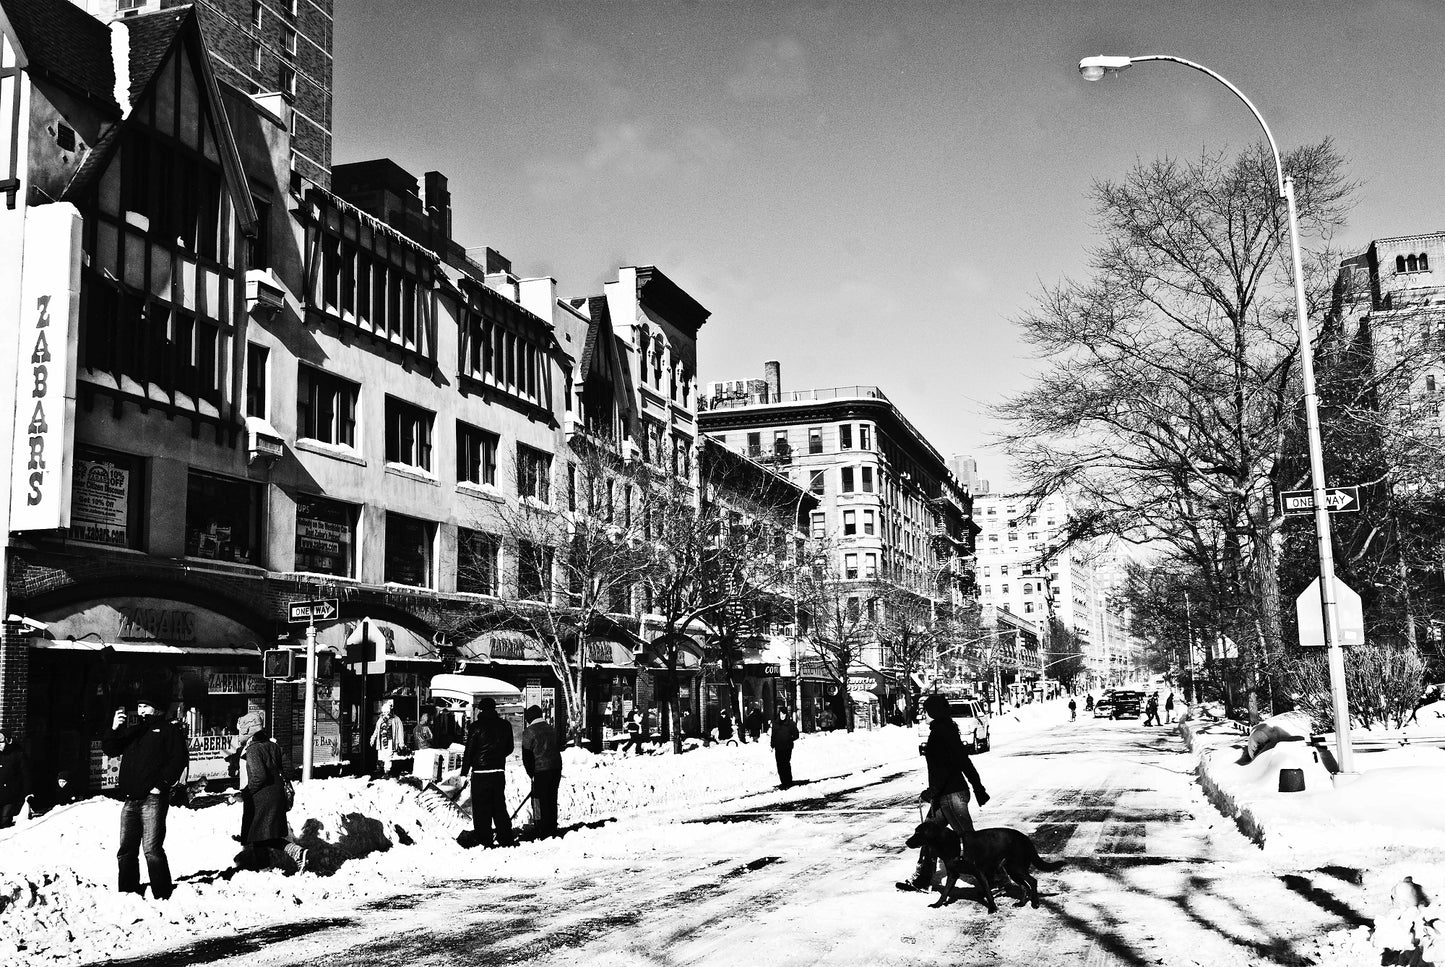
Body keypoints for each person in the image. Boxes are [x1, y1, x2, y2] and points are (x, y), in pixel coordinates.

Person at [897, 693, 990, 894]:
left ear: (934, 711)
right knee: (928, 835)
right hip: (947, 795)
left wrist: (933, 791)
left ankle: (996, 877)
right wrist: (977, 787)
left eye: (926, 711)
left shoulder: (941, 733)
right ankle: (922, 879)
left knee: (970, 841)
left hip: (951, 796)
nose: (924, 715)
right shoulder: (945, 730)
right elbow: (963, 762)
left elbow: (946, 768)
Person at [101, 693, 189, 900]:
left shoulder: (168, 730)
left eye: (145, 706)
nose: (141, 711)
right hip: (131, 798)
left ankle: (162, 892)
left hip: (153, 799)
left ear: (156, 709)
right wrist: (114, 728)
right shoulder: (135, 731)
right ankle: (128, 892)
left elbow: (178, 759)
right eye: (139, 706)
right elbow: (110, 749)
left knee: (151, 848)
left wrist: (161, 785)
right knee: (126, 849)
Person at [235, 729, 305, 873]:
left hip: (261, 798)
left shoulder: (253, 750)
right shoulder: (274, 746)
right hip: (276, 795)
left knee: (257, 835)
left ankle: (266, 871)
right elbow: (289, 770)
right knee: (265, 834)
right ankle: (296, 852)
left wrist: (246, 793)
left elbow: (259, 776)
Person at [460, 696, 515, 848]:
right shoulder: (505, 725)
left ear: (481, 710)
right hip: (498, 772)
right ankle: (506, 838)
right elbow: (509, 748)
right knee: (498, 806)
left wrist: (464, 772)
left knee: (481, 807)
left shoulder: (476, 727)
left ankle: (485, 839)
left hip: (480, 773)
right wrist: (497, 757)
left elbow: (469, 752)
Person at [520, 705, 562, 838]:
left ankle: (542, 828)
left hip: (540, 770)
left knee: (539, 799)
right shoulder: (552, 729)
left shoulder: (529, 731)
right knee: (551, 797)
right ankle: (552, 827)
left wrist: (531, 773)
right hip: (555, 768)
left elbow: (526, 755)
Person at [0, 729, 33, 828]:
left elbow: (26, 775)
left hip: (10, 794)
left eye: (1, 742)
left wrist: (27, 792)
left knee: (5, 819)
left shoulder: (18, 754)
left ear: (8, 741)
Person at [370, 700, 406, 777]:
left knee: (388, 756)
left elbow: (400, 731)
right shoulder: (380, 719)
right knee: (381, 755)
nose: (385, 714)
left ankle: (387, 771)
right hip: (382, 740)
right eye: (384, 712)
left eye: (387, 712)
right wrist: (372, 738)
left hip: (391, 740)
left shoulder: (396, 719)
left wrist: (401, 743)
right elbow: (377, 730)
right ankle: (381, 770)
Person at [770, 707, 799, 789]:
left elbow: (796, 735)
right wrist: (772, 745)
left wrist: (790, 739)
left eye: (784, 714)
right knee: (779, 765)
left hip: (787, 747)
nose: (782, 716)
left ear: (786, 715)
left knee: (786, 764)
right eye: (781, 714)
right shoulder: (775, 724)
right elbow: (773, 736)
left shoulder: (791, 724)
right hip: (778, 747)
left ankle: (788, 781)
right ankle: (783, 782)